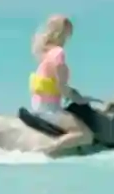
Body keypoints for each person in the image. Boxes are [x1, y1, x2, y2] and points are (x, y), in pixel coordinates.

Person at [28, 13, 95, 154]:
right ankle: (46, 151)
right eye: (69, 33)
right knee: (85, 135)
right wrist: (81, 99)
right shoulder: (58, 53)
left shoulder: (45, 54)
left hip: (37, 105)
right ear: (63, 32)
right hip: (50, 109)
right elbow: (62, 87)